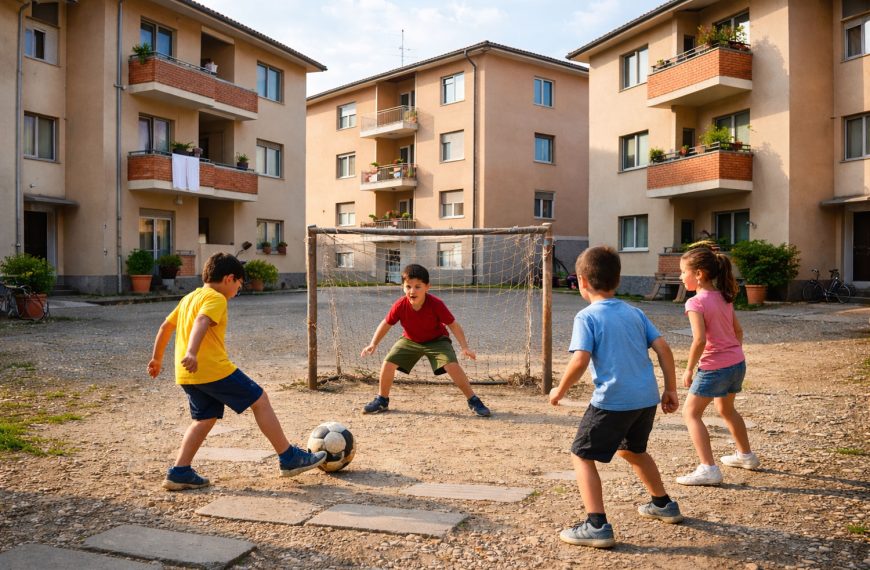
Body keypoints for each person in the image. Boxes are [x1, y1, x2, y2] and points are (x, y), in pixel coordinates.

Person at [147, 252, 325, 491]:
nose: (237, 291)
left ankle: (180, 471)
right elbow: (202, 321)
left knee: (203, 419)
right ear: (230, 278)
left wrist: (157, 359)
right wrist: (192, 352)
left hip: (188, 374)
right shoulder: (215, 298)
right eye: (239, 285)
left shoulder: (189, 297)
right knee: (260, 400)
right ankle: (288, 457)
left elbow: (166, 326)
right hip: (212, 369)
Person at [549, 246, 683, 548]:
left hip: (613, 400)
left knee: (581, 455)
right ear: (618, 280)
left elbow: (580, 360)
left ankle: (596, 525)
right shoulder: (635, 312)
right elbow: (663, 348)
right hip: (645, 399)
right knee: (632, 450)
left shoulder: (587, 316)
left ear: (581, 282)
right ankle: (663, 504)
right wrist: (670, 389)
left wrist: (560, 389)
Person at [359, 263, 491, 417]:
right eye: (408, 286)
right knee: (388, 363)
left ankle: (473, 400)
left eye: (417, 286)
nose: (412, 291)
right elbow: (386, 323)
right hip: (410, 340)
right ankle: (382, 399)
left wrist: (464, 347)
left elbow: (453, 325)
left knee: (451, 365)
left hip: (437, 341)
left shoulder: (436, 304)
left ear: (427, 287)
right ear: (403, 287)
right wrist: (373, 343)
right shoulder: (400, 305)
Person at [675, 246, 759, 486]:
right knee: (726, 410)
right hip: (736, 363)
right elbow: (738, 331)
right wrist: (732, 353)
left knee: (691, 413)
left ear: (699, 274)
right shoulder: (724, 296)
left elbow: (699, 340)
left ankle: (708, 469)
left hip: (714, 367)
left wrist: (689, 368)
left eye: (683, 272)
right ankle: (746, 456)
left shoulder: (695, 303)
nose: (681, 276)